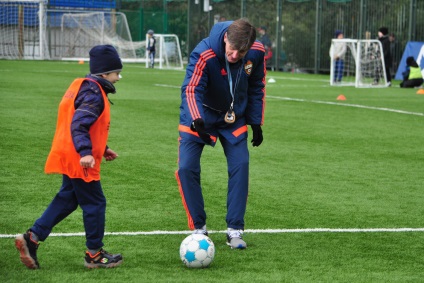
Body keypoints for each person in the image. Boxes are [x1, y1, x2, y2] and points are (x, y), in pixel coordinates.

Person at [15, 45, 124, 269]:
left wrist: (103, 149)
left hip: (68, 152)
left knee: (69, 198)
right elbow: (79, 124)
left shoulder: (83, 86)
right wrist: (86, 153)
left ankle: (32, 238)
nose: (119, 77)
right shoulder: (94, 92)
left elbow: (86, 124)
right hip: (78, 157)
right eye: (116, 73)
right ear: (104, 74)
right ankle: (94, 254)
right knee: (95, 202)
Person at [175, 18, 266, 249]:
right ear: (225, 38)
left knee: (241, 165)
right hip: (200, 115)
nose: (235, 55)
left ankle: (234, 230)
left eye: (240, 52)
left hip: (233, 117)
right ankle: (199, 229)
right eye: (232, 49)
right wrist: (196, 119)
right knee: (186, 168)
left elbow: (257, 86)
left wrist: (256, 122)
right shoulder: (204, 52)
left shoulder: (256, 53)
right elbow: (192, 88)